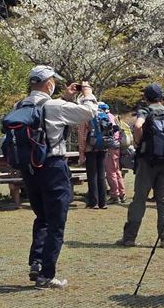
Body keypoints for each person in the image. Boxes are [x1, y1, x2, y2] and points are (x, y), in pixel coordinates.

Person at [8, 66, 98, 289]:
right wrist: (87, 93)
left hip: (30, 169)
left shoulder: (19, 106)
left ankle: (37, 262)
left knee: (42, 217)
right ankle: (46, 275)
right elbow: (89, 113)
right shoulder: (55, 106)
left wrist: (66, 97)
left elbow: (47, 118)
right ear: (49, 84)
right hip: (53, 167)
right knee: (57, 222)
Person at [118, 83, 164, 248]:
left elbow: (138, 126)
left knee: (139, 199)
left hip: (147, 161)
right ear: (161, 97)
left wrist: (138, 142)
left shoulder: (145, 111)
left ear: (146, 97)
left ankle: (129, 238)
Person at [78, 102, 120, 210]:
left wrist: (81, 153)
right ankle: (103, 202)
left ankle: (94, 202)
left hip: (90, 148)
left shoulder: (85, 116)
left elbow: (82, 136)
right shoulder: (103, 114)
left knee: (92, 175)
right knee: (101, 175)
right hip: (103, 148)